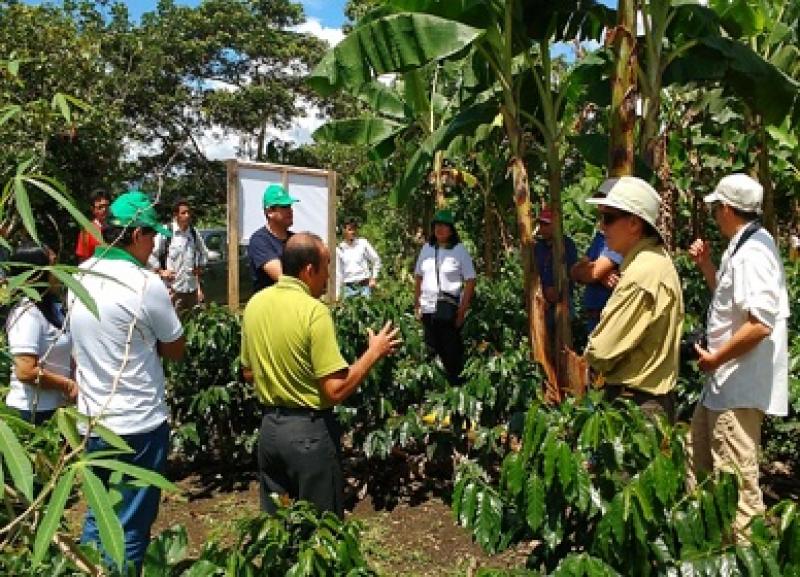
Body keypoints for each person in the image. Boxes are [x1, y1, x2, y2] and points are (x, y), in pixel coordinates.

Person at [241, 233, 400, 517]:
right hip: (308, 435)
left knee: (276, 528)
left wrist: (282, 377)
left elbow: (249, 372)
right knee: (320, 531)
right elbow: (334, 390)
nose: (329, 276)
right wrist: (373, 353)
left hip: (269, 432)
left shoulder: (255, 304)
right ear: (309, 270)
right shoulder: (314, 312)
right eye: (326, 266)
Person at [69, 190, 185, 574]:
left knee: (97, 515)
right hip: (137, 424)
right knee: (130, 525)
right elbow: (175, 349)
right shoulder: (144, 284)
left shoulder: (79, 277)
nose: (154, 245)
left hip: (90, 421)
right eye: (151, 236)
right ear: (135, 235)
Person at [686, 173, 789, 539]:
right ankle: (712, 549)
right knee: (700, 465)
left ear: (727, 209)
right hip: (723, 385)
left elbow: (760, 323)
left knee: (738, 490)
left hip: (737, 386)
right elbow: (732, 303)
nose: (715, 215)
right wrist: (707, 267)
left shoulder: (754, 254)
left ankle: (746, 558)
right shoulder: (742, 247)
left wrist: (716, 359)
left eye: (716, 209)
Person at [584, 177, 683, 422]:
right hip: (650, 401)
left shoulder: (641, 273)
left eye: (608, 219)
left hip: (637, 406)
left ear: (634, 223)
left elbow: (602, 351)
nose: (602, 227)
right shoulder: (655, 262)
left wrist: (588, 360)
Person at [4, 242, 77, 424]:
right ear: (37, 273)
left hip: (55, 407)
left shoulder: (54, 308)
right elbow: (25, 371)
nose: (59, 271)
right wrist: (67, 385)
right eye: (53, 264)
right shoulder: (26, 313)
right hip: (31, 411)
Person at [414, 209, 476, 387]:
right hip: (427, 309)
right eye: (437, 226)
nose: (440, 229)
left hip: (448, 311)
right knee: (431, 353)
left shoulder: (459, 250)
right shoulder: (427, 248)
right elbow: (418, 277)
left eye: (444, 226)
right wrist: (416, 304)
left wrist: (462, 310)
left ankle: (455, 393)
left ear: (451, 230)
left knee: (451, 355)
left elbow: (470, 280)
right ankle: (436, 393)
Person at [571, 179, 623, 334]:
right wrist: (600, 274)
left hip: (611, 320)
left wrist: (595, 273)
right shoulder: (601, 237)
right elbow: (575, 271)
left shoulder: (620, 240)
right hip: (594, 319)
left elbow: (591, 272)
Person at [149, 199, 209, 314]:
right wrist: (161, 271)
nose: (187, 215)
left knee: (193, 325)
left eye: (188, 212)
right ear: (175, 215)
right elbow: (151, 254)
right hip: (173, 290)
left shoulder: (193, 232)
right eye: (183, 213)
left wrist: (201, 266)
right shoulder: (166, 232)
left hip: (192, 289)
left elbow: (204, 252)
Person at [534, 206, 578, 339]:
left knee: (563, 339)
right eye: (541, 224)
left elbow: (571, 272)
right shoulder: (538, 248)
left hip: (563, 300)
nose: (542, 228)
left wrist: (558, 291)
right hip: (543, 302)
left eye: (546, 224)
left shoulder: (567, 245)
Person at [248, 183, 298, 292]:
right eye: (284, 207)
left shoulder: (294, 239)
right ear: (269, 212)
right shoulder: (260, 240)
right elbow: (282, 278)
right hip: (269, 307)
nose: (290, 210)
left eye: (290, 206)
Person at [336, 217, 381, 298]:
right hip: (349, 288)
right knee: (350, 310)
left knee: (366, 310)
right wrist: (338, 294)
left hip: (364, 286)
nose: (352, 232)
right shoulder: (339, 249)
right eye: (350, 229)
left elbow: (376, 259)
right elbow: (338, 272)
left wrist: (374, 278)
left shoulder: (363, 243)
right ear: (344, 231)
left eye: (354, 229)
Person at [75, 192, 110, 263]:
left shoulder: (117, 227)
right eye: (100, 207)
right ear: (93, 210)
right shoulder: (87, 231)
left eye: (106, 206)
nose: (104, 209)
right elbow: (83, 260)